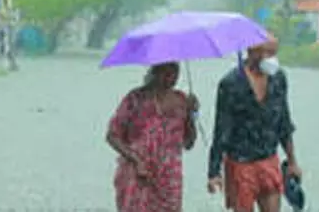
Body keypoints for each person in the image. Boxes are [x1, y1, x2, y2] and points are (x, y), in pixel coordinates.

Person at [207, 39, 302, 212]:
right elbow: (221, 129)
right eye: (268, 53)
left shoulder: (278, 78)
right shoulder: (231, 83)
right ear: (252, 52)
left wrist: (292, 161)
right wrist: (214, 172)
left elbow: (284, 122)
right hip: (240, 163)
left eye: (274, 53)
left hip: (268, 159)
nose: (272, 59)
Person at [106, 62, 199, 212]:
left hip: (168, 177)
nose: (171, 78)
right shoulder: (135, 98)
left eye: (175, 73)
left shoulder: (182, 101)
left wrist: (192, 115)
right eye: (166, 73)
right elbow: (112, 135)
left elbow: (188, 143)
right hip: (137, 172)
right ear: (155, 72)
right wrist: (135, 160)